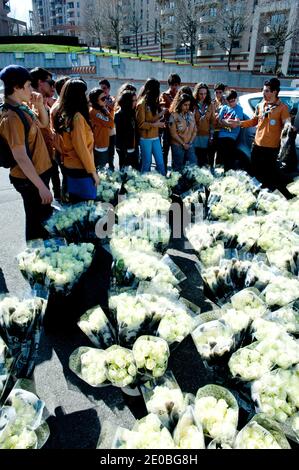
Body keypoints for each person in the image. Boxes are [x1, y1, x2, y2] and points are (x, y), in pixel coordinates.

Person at [0, 65, 53, 241]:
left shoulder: (22, 106)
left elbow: (44, 124)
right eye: (29, 85)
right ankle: (33, 263)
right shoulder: (11, 117)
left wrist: (39, 105)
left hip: (38, 173)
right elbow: (20, 156)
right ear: (16, 87)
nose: (32, 89)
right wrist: (41, 187)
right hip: (29, 179)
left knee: (42, 221)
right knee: (35, 224)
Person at [228, 78, 292, 195]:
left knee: (269, 175)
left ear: (275, 92)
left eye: (267, 91)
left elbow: (287, 121)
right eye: (263, 91)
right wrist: (239, 123)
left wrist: (288, 126)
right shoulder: (260, 105)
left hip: (271, 148)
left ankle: (281, 195)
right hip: (257, 146)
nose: (264, 93)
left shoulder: (282, 108)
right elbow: (254, 121)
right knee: (255, 173)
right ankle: (256, 196)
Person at [54, 79, 99, 203]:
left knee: (76, 206)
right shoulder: (77, 117)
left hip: (70, 166)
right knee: (86, 207)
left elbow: (57, 142)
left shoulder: (63, 114)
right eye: (84, 93)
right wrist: (93, 173)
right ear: (78, 96)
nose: (86, 97)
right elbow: (82, 149)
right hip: (81, 168)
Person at [30, 67, 61, 200]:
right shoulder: (31, 105)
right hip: (38, 164)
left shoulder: (45, 104)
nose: (53, 86)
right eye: (50, 82)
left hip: (49, 157)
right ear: (40, 82)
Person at [136, 78, 166, 175]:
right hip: (145, 139)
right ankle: (144, 185)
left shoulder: (153, 101)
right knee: (147, 164)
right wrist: (156, 124)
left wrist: (161, 114)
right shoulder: (141, 104)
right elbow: (141, 124)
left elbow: (151, 119)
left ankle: (164, 184)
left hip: (155, 137)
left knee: (160, 163)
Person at [217, 89, 245, 171]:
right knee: (220, 160)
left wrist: (224, 122)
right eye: (230, 101)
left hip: (231, 137)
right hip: (221, 136)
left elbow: (235, 124)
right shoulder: (224, 108)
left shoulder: (239, 109)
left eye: (234, 100)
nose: (232, 103)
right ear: (226, 101)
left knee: (228, 160)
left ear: (236, 99)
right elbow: (218, 121)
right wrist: (227, 122)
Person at [169, 93, 197, 171]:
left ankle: (189, 183)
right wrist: (183, 144)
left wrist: (190, 143)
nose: (187, 107)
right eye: (185, 105)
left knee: (193, 165)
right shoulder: (174, 116)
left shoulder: (191, 115)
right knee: (178, 168)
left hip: (189, 144)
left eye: (188, 105)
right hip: (178, 145)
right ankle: (177, 183)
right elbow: (173, 134)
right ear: (180, 104)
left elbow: (195, 130)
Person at [159, 73, 181, 169]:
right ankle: (163, 170)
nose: (174, 87)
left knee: (176, 149)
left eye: (176, 85)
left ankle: (174, 171)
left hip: (178, 127)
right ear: (169, 84)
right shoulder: (164, 95)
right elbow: (162, 110)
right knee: (165, 149)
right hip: (167, 127)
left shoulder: (180, 96)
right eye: (172, 85)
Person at [89, 88, 114, 170]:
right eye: (103, 99)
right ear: (96, 101)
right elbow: (111, 123)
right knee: (101, 170)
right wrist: (106, 110)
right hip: (100, 145)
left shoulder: (101, 109)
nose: (105, 100)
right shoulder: (94, 112)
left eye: (106, 98)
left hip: (104, 143)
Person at [114, 90, 139, 169]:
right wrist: (126, 150)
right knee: (124, 172)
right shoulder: (119, 114)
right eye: (133, 100)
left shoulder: (132, 112)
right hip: (124, 149)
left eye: (136, 100)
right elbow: (119, 135)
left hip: (133, 147)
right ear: (127, 101)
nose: (135, 102)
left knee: (134, 171)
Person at [193, 83, 215, 166]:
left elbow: (212, 121)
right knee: (195, 160)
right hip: (194, 136)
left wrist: (211, 135)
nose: (203, 96)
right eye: (201, 94)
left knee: (203, 160)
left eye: (205, 94)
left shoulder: (211, 105)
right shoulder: (193, 105)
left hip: (206, 136)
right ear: (196, 93)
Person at [99, 79, 115, 170]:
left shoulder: (111, 99)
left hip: (110, 130)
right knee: (102, 152)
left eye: (104, 88)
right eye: (101, 89)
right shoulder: (98, 100)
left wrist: (103, 101)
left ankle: (111, 168)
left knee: (111, 152)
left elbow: (113, 106)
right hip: (101, 131)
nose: (103, 91)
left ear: (109, 89)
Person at [210, 82, 227, 166]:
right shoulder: (211, 102)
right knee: (211, 152)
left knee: (220, 154)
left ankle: (218, 170)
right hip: (213, 130)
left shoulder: (226, 103)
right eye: (216, 92)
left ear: (223, 92)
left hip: (222, 131)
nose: (218, 94)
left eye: (220, 92)